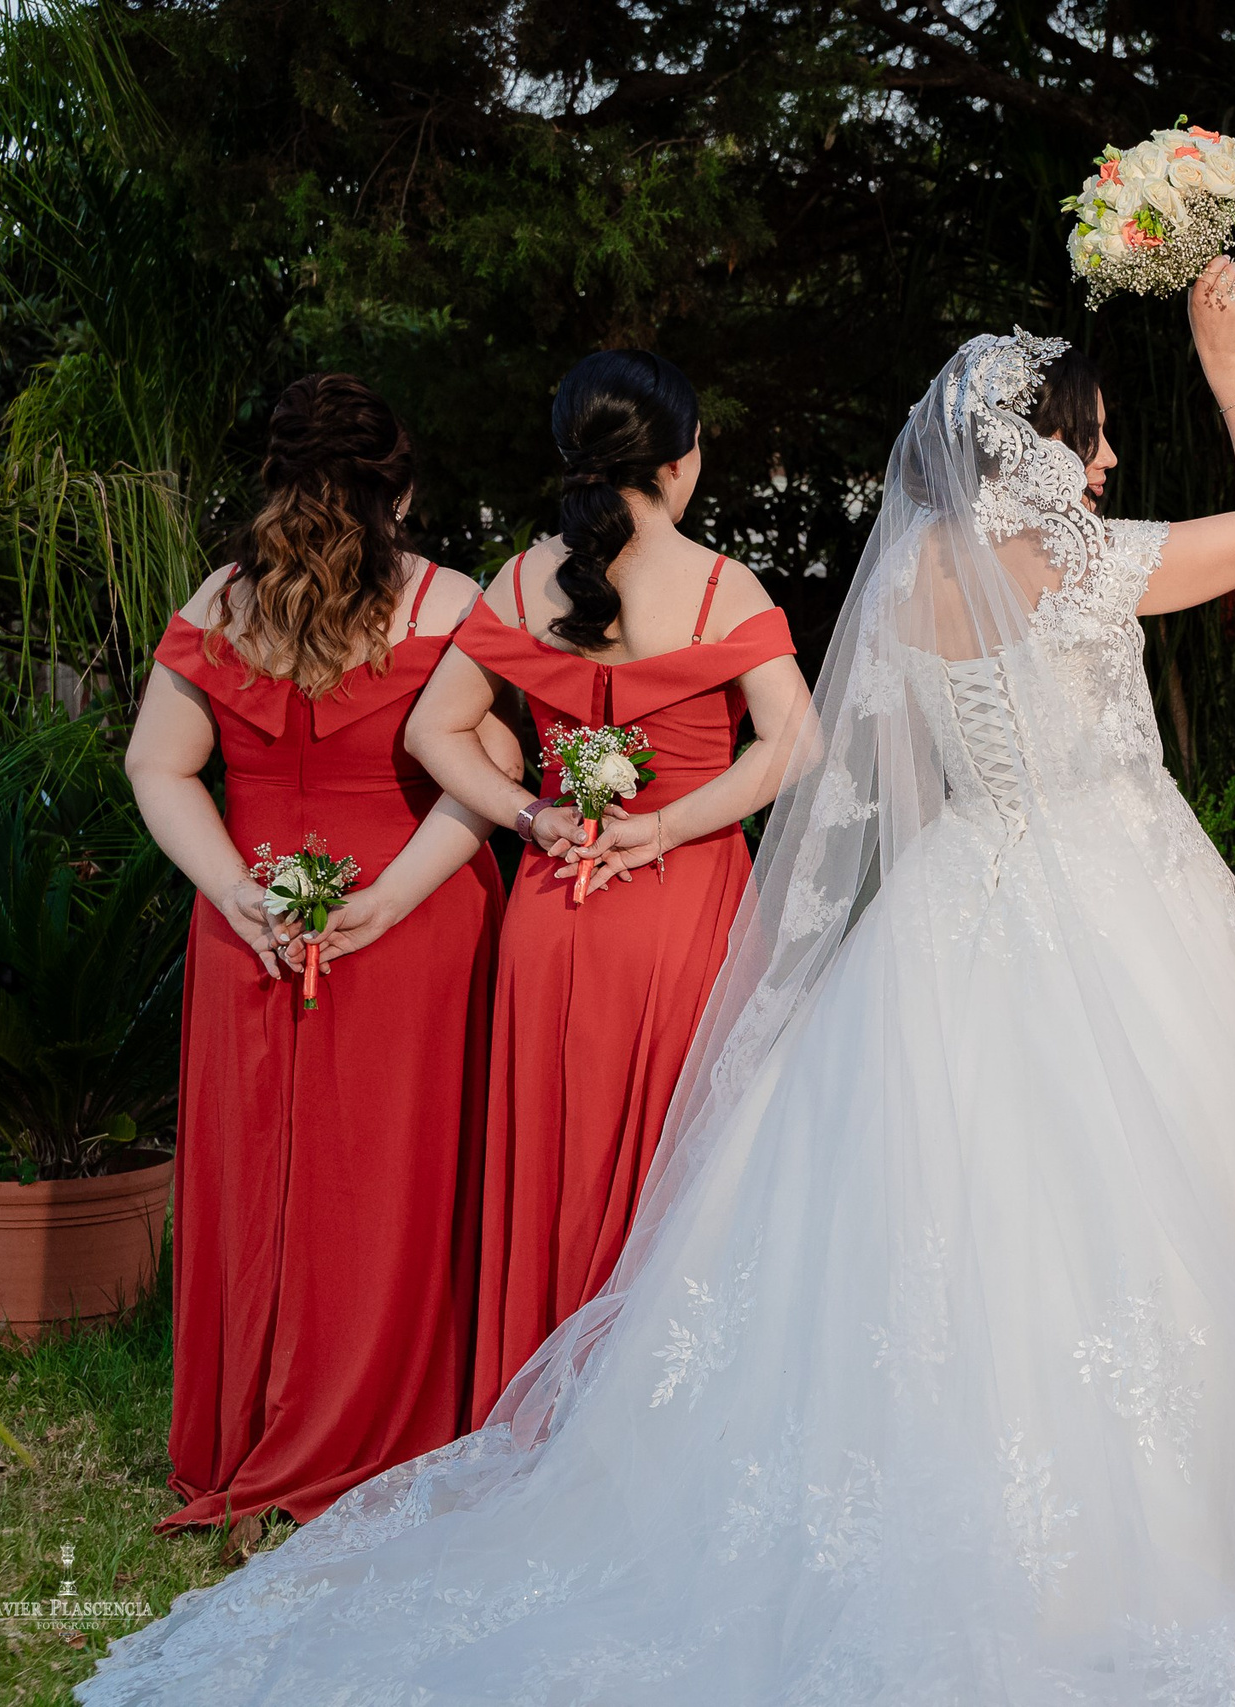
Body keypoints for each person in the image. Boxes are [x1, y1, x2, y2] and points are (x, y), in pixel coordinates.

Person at [79, 268, 1235, 1707]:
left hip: (953, 913)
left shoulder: (907, 591)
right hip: (1115, 895)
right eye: (1092, 433)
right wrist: (1228, 357)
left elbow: (879, 791)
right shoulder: (1092, 566)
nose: (1106, 457)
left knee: (939, 1219)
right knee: (1139, 1211)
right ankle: (1139, 1536)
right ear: (1043, 449)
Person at [125, 373, 511, 1531]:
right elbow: (484, 786)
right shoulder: (449, 603)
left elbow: (158, 764)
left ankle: (253, 1422)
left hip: (254, 927)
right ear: (402, 486)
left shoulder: (221, 600)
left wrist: (239, 894)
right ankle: (380, 1424)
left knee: (273, 1182)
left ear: (274, 482)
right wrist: (387, 902)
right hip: (408, 922)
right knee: (391, 1181)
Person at [403, 349, 812, 1412]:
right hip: (687, 909)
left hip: (554, 907)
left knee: (558, 1163)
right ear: (681, 463)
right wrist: (664, 826)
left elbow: (432, 730)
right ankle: (660, 1423)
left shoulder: (519, 582)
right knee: (685, 1173)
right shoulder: (726, 588)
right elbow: (794, 750)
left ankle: (541, 1412)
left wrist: (534, 815)